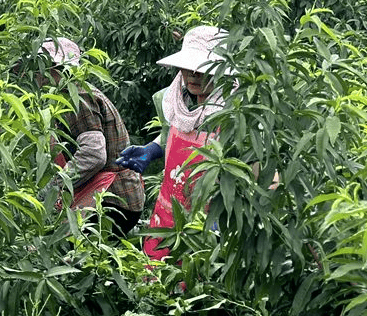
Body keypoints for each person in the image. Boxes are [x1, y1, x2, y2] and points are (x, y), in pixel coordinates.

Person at [115, 25, 230, 260]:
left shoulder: (233, 113)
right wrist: (153, 149)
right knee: (154, 284)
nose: (193, 75)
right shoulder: (176, 100)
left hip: (206, 224)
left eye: (202, 69)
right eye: (188, 68)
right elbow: (172, 133)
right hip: (167, 214)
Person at [35, 38, 145, 237]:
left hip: (114, 201)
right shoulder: (73, 93)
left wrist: (52, 188)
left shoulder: (78, 95)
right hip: (117, 198)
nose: (38, 75)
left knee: (61, 249)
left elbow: (93, 154)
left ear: (57, 69)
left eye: (43, 67)